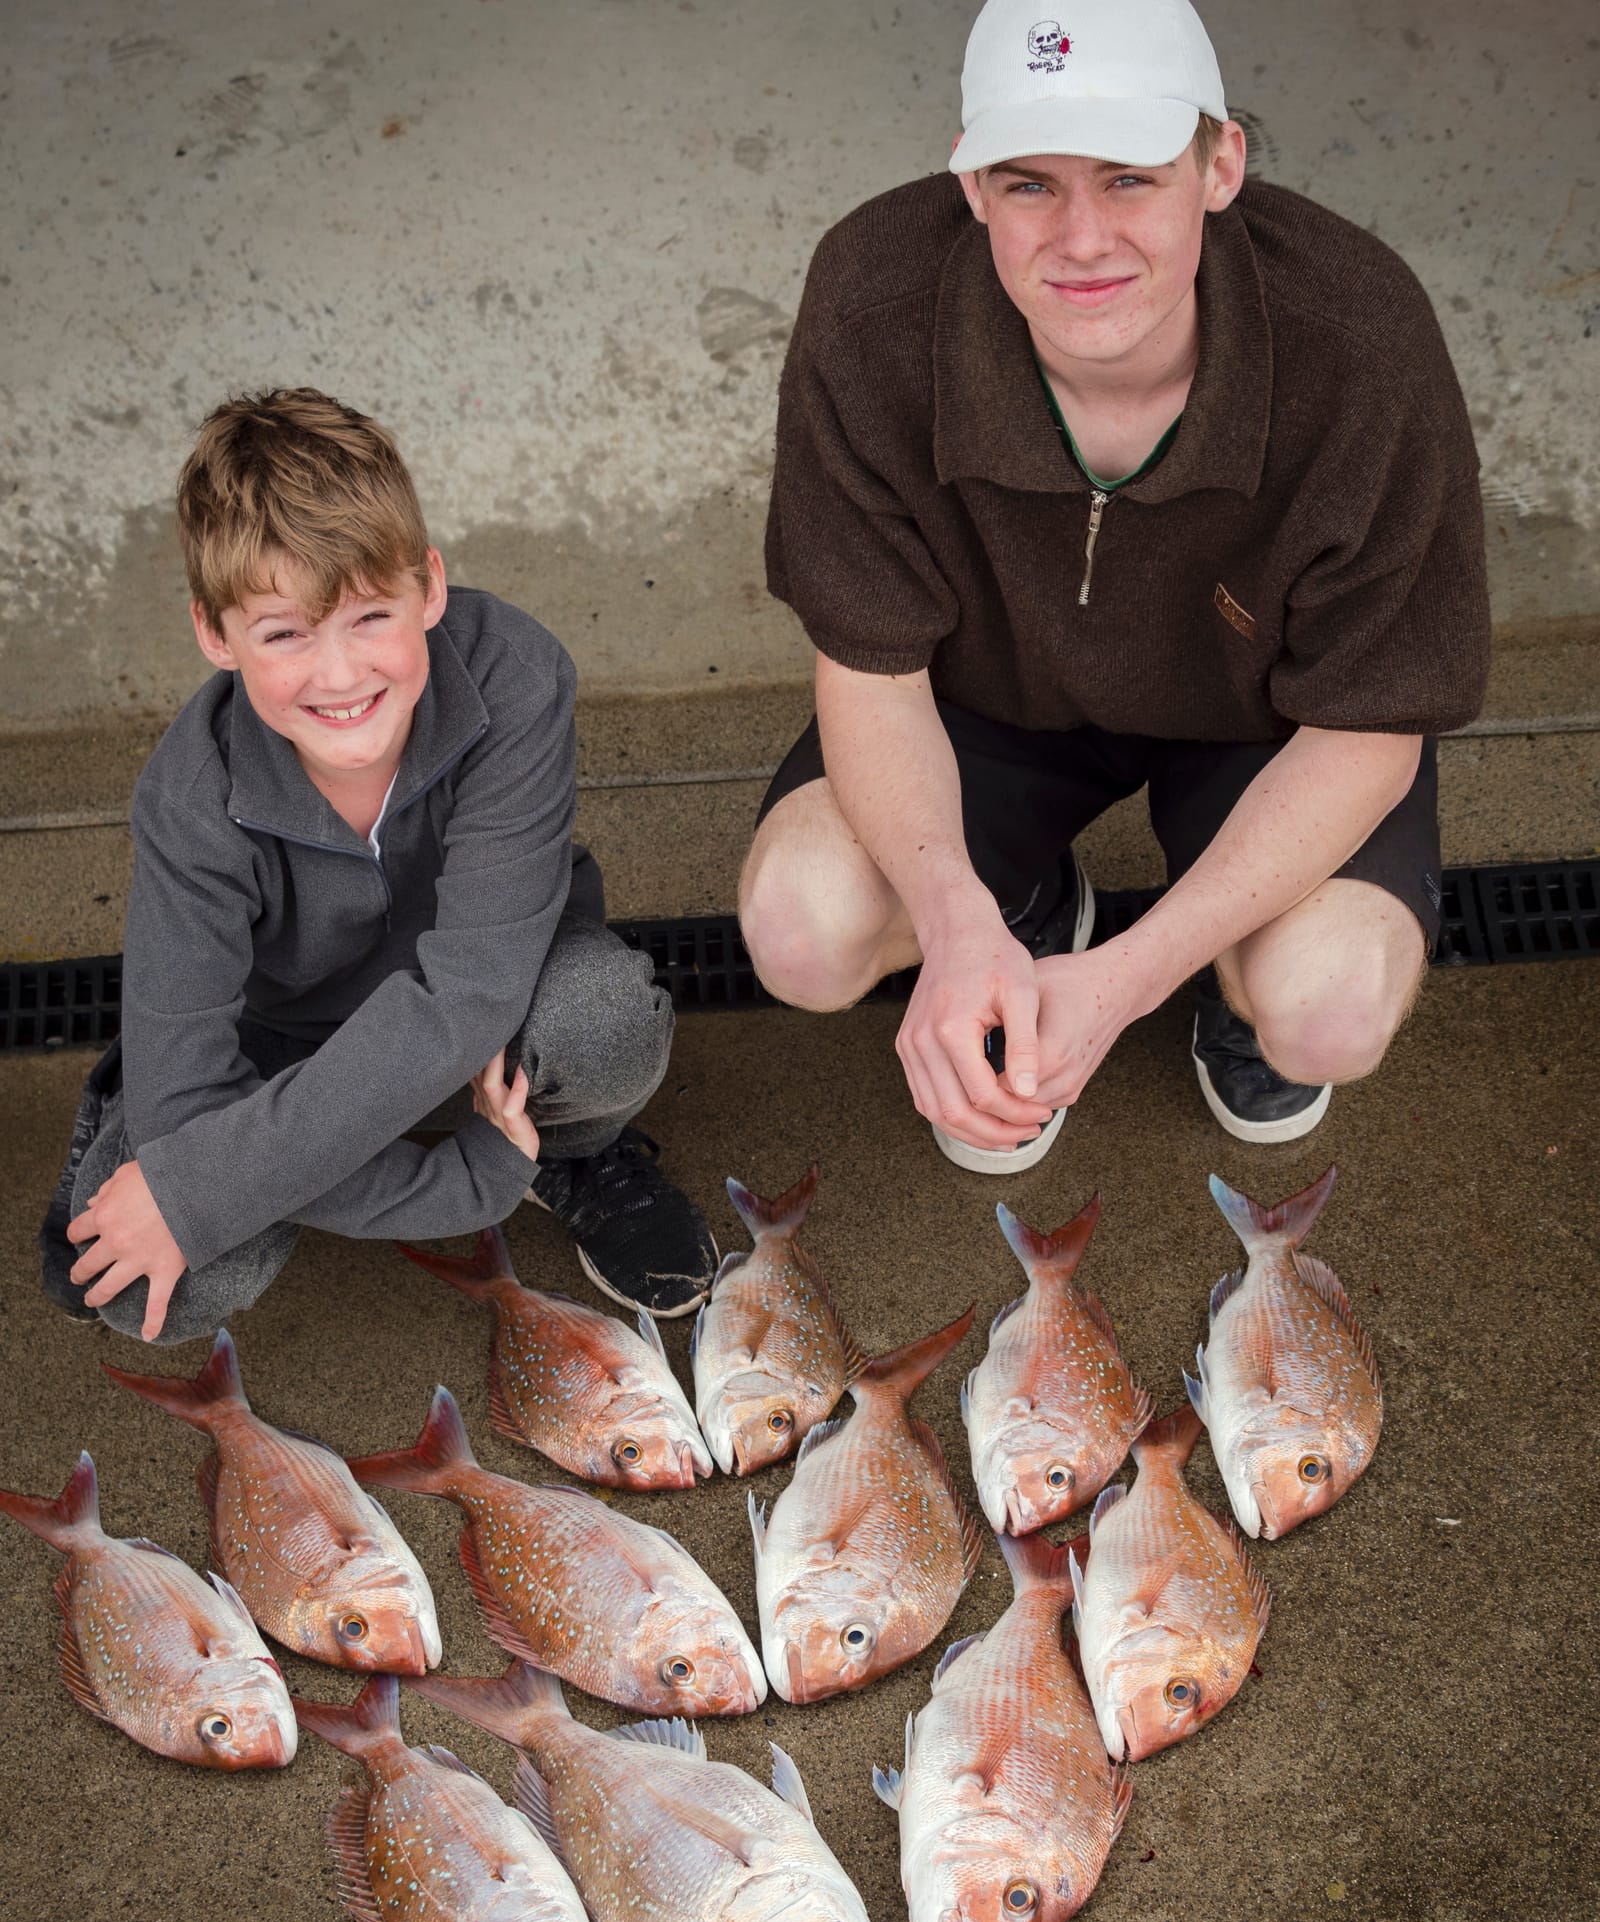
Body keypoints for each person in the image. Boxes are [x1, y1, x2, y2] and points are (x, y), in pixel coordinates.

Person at [740, 0, 1489, 1173]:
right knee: (800, 935)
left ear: (1219, 164)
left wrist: (1133, 981)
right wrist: (955, 928)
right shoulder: (870, 301)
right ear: (969, 182)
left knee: (1326, 1012)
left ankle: (1221, 992)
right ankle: (1021, 923)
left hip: (1266, 722)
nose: (1081, 238)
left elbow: (1368, 724)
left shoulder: (1359, 340)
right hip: (982, 699)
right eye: (1028, 183)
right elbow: (871, 674)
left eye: (1131, 177)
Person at [38, 387, 717, 1343]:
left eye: (369, 616)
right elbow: (192, 1112)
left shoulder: (515, 675)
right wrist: (459, 1182)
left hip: (491, 1001)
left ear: (429, 587)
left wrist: (211, 1175)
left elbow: (470, 992)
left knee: (605, 1024)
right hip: (287, 1044)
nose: (342, 674)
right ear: (214, 635)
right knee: (155, 1285)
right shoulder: (189, 798)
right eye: (283, 633)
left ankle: (572, 1153)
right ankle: (133, 1103)